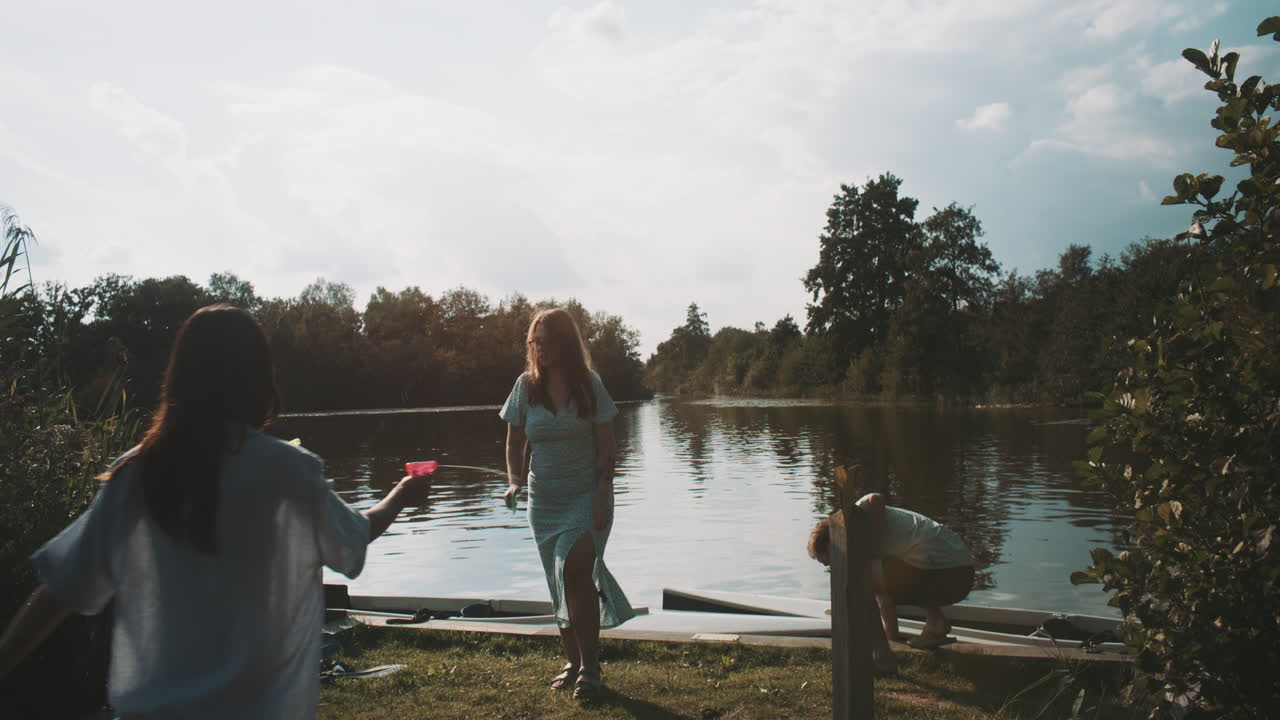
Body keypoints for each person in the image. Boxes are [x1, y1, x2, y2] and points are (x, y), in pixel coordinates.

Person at [0, 304, 433, 719]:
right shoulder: (289, 470)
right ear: (260, 377)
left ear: (180, 378)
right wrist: (401, 493)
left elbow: (59, 589)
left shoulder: (136, 472)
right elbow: (355, 537)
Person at [500, 308, 634, 700]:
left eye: (546, 341)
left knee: (576, 569)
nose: (539, 349)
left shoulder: (589, 385)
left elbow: (608, 446)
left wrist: (603, 493)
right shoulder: (526, 386)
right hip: (543, 503)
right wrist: (513, 481)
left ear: (565, 343)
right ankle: (573, 661)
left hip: (586, 496)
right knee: (558, 580)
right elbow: (513, 442)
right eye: (534, 342)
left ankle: (591, 669)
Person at [808, 492, 975, 673]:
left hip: (948, 572)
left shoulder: (854, 520)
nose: (835, 568)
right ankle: (936, 624)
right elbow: (884, 597)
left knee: (858, 579)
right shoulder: (871, 551)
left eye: (832, 561)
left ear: (833, 541)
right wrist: (892, 638)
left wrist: (869, 545)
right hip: (960, 574)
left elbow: (875, 498)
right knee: (876, 574)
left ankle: (882, 659)